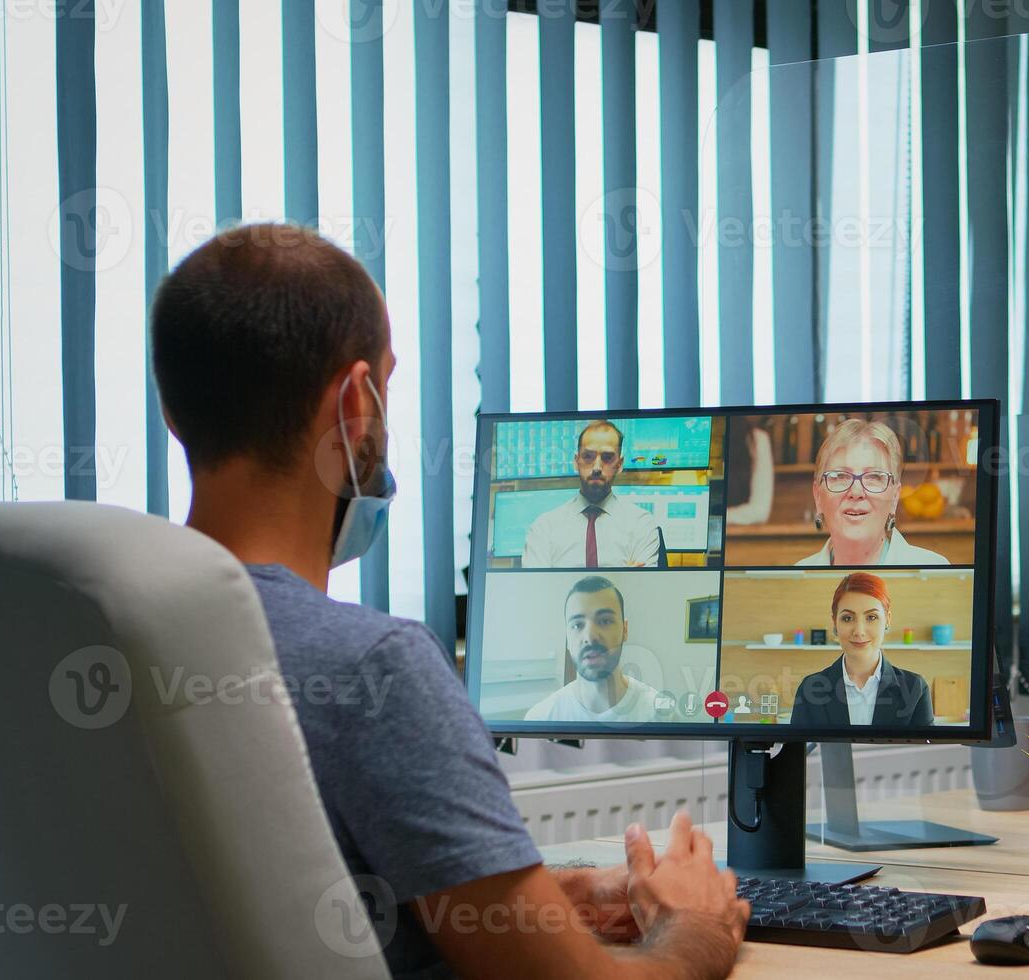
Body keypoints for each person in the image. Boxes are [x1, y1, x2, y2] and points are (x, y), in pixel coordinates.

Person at [152, 223, 746, 978]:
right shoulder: (374, 668)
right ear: (357, 406)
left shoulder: (104, 634)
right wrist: (696, 925)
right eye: (389, 385)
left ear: (175, 414)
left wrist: (541, 904)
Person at [788, 572, 935, 727]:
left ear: (887, 620)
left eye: (871, 617)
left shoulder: (915, 688)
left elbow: (925, 751)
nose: (859, 631)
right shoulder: (810, 688)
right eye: (847, 618)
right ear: (834, 622)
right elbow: (799, 751)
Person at [797, 419, 950, 566]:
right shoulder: (795, 580)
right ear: (818, 496)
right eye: (840, 476)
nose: (856, 492)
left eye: (874, 477)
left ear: (895, 497)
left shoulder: (935, 569)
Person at [522, 420, 662, 568]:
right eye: (588, 456)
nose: (596, 467)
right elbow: (535, 589)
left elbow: (642, 588)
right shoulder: (544, 528)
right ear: (576, 462)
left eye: (607, 458)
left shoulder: (641, 524)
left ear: (619, 465)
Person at [526, 576, 660, 723]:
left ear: (625, 630)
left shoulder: (660, 715)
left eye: (605, 621)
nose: (590, 637)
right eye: (577, 625)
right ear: (567, 638)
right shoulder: (541, 719)